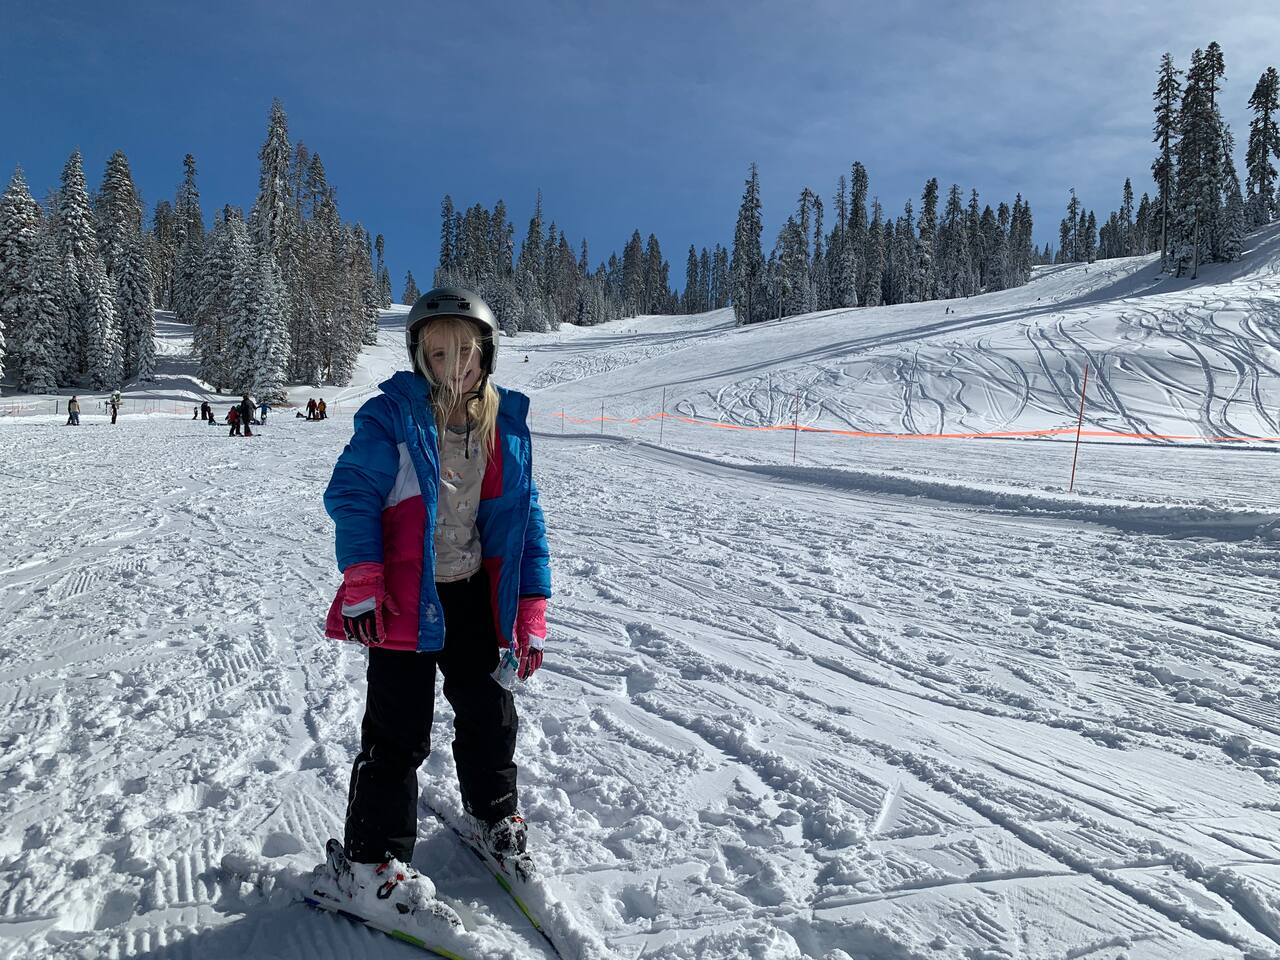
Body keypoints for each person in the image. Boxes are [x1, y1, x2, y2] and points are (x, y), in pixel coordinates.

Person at [321, 286, 550, 907]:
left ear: (486, 355)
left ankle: (492, 814)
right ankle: (371, 859)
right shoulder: (392, 417)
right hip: (404, 596)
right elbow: (353, 492)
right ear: (421, 357)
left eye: (466, 352)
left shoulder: (502, 425)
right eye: (439, 354)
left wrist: (531, 604)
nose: (454, 367)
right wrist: (362, 575)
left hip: (470, 591)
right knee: (398, 730)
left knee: (489, 710)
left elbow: (523, 519)